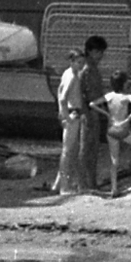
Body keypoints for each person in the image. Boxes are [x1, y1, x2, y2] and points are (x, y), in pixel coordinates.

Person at [93, 71, 131, 198]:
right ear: (123, 84)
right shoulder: (127, 97)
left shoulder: (109, 96)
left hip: (111, 130)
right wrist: (128, 119)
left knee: (114, 160)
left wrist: (106, 114)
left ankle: (114, 188)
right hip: (123, 130)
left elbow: (92, 104)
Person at [54, 50, 89, 195]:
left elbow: (59, 90)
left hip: (71, 112)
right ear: (72, 62)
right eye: (79, 62)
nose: (81, 65)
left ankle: (59, 184)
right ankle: (64, 187)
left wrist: (61, 112)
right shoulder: (73, 76)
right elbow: (63, 97)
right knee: (68, 151)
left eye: (82, 62)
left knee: (70, 150)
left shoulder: (67, 73)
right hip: (73, 113)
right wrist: (66, 117)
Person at [79, 36, 108, 191]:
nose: (101, 55)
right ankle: (85, 184)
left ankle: (90, 182)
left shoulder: (92, 68)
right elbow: (85, 94)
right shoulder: (88, 70)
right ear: (90, 51)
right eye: (98, 51)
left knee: (92, 148)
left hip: (94, 110)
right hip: (90, 112)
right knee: (87, 149)